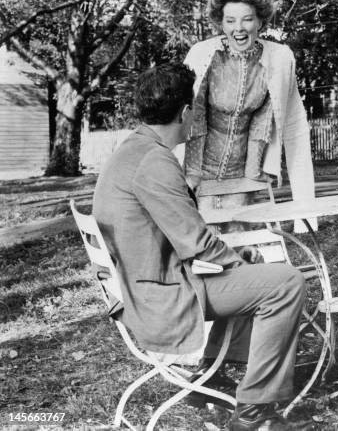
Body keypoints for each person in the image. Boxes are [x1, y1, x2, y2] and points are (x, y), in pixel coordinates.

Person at [93, 64, 306, 431]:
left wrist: (237, 262)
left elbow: (182, 239)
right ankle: (254, 413)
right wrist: (238, 262)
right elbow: (197, 244)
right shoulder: (155, 161)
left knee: (250, 272)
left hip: (140, 287)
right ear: (185, 112)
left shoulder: (132, 149)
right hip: (159, 298)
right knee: (286, 283)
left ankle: (210, 375)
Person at [183, 0, 315, 232]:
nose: (238, 28)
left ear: (260, 21)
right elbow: (185, 117)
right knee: (205, 247)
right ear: (221, 23)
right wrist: (189, 177)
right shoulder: (202, 55)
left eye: (247, 19)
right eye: (230, 20)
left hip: (247, 174)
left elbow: (295, 127)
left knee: (241, 245)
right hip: (199, 173)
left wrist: (305, 211)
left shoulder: (279, 59)